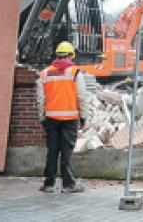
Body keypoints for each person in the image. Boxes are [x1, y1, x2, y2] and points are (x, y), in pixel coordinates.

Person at [36, 41, 90, 193]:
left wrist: (42, 117)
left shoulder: (45, 73)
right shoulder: (74, 72)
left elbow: (40, 98)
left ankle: (48, 184)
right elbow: (82, 97)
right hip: (69, 119)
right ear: (70, 55)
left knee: (52, 150)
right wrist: (84, 117)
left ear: (57, 55)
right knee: (66, 152)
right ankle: (68, 185)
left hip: (51, 119)